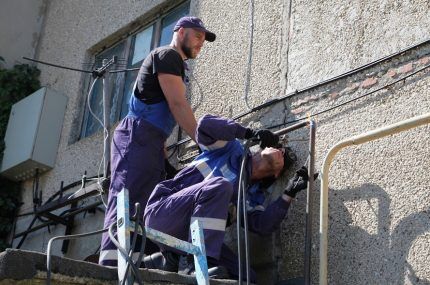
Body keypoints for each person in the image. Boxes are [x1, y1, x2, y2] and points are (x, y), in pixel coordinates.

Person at [99, 16, 216, 266]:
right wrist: (203, 142)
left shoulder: (175, 66)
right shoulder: (167, 56)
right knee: (126, 200)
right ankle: (108, 270)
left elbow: (159, 117)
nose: (200, 43)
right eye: (197, 36)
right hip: (136, 137)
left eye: (204, 40)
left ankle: (138, 266)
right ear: (180, 31)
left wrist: (164, 160)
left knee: (147, 207)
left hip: (149, 141)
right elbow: (176, 104)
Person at [143, 114, 312, 281]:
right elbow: (204, 126)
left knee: (247, 277)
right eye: (279, 146)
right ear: (263, 147)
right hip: (162, 213)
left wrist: (289, 193)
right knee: (221, 186)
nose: (281, 150)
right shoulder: (230, 149)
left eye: (284, 155)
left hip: (185, 238)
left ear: (276, 174)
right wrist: (248, 132)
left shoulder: (251, 197)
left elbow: (264, 225)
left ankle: (168, 261)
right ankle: (196, 265)